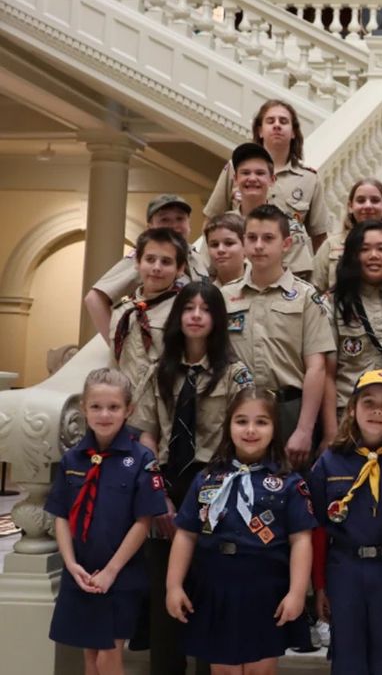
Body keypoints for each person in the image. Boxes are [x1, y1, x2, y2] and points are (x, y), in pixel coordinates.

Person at [130, 281, 253, 675]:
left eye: (205, 309)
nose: (196, 315)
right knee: (165, 599)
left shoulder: (235, 374)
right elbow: (147, 435)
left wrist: (211, 499)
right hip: (167, 488)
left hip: (215, 488)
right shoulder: (158, 372)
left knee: (208, 597)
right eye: (188, 308)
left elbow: (241, 439)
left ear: (218, 319)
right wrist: (157, 496)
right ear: (178, 317)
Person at [166, 388, 318, 669]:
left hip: (264, 588)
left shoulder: (288, 483)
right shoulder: (207, 478)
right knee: (222, 667)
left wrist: (297, 592)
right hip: (214, 586)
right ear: (228, 426)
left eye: (261, 422)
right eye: (241, 421)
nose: (251, 430)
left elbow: (301, 541)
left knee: (261, 666)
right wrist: (173, 585)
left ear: (275, 428)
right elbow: (186, 534)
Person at [45, 368, 167, 675]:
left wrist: (111, 571)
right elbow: (61, 514)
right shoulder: (73, 459)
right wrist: (70, 565)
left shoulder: (141, 460)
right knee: (90, 658)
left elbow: (144, 520)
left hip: (121, 575)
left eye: (113, 407)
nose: (104, 414)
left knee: (109, 656)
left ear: (129, 410)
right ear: (83, 408)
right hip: (81, 573)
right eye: (96, 406)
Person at [310, 370, 382, 675]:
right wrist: (319, 586)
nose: (377, 411)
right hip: (345, 568)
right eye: (368, 402)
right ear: (353, 408)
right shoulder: (330, 462)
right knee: (348, 655)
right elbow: (317, 529)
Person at [222, 204, 335, 468]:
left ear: (286, 244)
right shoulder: (225, 296)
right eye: (252, 238)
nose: (259, 245)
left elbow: (316, 367)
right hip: (238, 406)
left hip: (289, 409)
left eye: (268, 238)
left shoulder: (307, 297)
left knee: (289, 487)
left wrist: (305, 429)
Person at [203, 101, 330, 257]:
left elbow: (319, 236)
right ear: (260, 131)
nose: (277, 125)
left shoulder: (309, 179)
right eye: (270, 121)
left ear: (293, 132)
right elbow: (212, 220)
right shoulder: (234, 168)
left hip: (289, 267)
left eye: (283, 121)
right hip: (239, 265)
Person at [85, 194, 205, 343]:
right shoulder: (147, 259)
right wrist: (118, 346)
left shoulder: (195, 257)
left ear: (189, 223)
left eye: (180, 219)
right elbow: (94, 299)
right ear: (150, 227)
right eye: (164, 220)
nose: (174, 226)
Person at [330, 221, 382, 414]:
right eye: (364, 249)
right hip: (347, 413)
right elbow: (326, 374)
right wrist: (330, 431)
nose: (374, 255)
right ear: (352, 255)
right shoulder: (333, 305)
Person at [109, 228, 188, 404]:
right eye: (150, 259)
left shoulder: (184, 311)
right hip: (125, 407)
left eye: (166, 262)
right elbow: (115, 364)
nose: (156, 268)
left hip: (164, 407)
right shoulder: (122, 310)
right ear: (137, 262)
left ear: (180, 268)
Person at [218, 141, 317, 280]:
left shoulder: (290, 227)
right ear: (235, 179)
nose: (252, 179)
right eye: (245, 173)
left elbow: (298, 280)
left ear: (272, 180)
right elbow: (207, 271)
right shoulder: (221, 225)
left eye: (260, 173)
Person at [313, 178, 382, 293]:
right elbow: (314, 291)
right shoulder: (330, 246)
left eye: (375, 200)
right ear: (350, 206)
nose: (367, 206)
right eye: (361, 201)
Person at [204, 213, 249, 286]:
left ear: (245, 246)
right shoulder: (205, 293)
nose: (220, 250)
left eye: (229, 243)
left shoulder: (264, 281)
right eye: (214, 245)